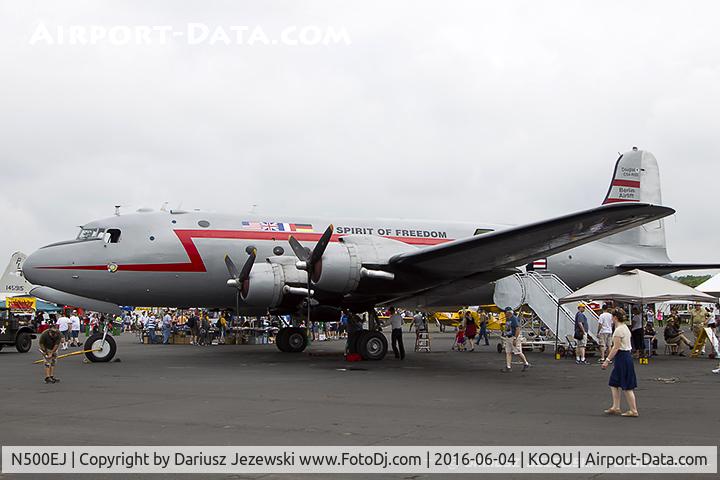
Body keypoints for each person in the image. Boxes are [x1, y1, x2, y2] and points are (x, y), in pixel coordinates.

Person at [602, 308, 638, 417]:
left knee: (627, 385)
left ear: (615, 318)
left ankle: (633, 410)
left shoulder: (618, 330)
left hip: (623, 357)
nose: (611, 319)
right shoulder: (625, 328)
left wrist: (607, 360)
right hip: (624, 356)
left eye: (612, 317)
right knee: (614, 382)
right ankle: (616, 407)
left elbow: (616, 347)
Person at [501, 307, 530, 372]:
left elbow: (518, 329)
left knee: (518, 352)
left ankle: (526, 363)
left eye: (505, 312)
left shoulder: (514, 319)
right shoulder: (508, 319)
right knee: (508, 352)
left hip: (513, 337)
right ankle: (508, 367)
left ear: (508, 312)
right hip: (508, 337)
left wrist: (515, 338)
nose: (504, 313)